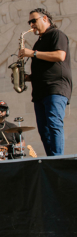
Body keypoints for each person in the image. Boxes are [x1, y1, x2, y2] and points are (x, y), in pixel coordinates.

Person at [18, 8, 72, 156]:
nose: (31, 25)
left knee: (54, 124)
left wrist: (33, 53)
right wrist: (27, 78)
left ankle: (57, 159)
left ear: (45, 19)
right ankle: (51, 159)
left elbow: (60, 55)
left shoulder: (56, 34)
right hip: (40, 91)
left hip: (55, 87)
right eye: (29, 22)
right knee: (44, 130)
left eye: (33, 21)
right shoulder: (38, 42)